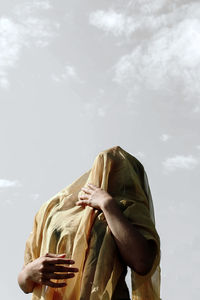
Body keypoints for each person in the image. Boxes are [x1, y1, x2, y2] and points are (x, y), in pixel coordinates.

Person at [18, 146, 161, 300]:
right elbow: (25, 283)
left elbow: (141, 262)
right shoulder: (56, 210)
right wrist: (29, 272)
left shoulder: (125, 211)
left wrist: (107, 204)